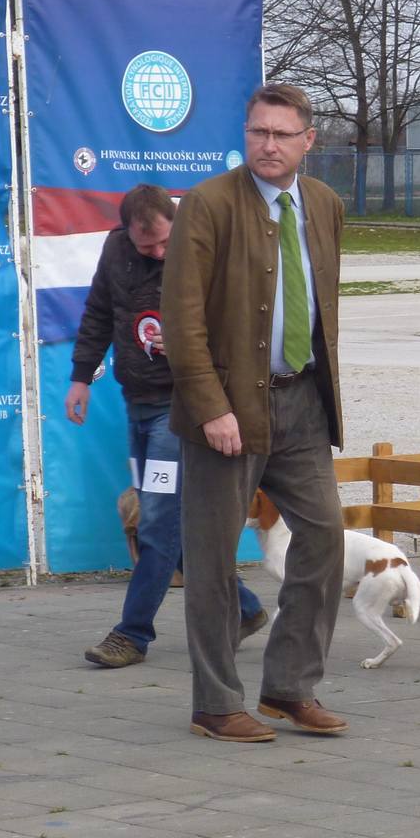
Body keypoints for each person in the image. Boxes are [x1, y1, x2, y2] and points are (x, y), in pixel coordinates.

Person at [162, 83, 347, 744]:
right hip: (229, 408)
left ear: (308, 141)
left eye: (281, 134)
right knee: (213, 559)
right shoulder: (209, 204)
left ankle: (290, 686)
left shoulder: (324, 204)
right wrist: (210, 405)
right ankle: (215, 704)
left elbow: (321, 306)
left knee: (324, 537)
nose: (268, 145)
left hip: (303, 401)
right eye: (257, 132)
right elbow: (181, 317)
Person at [67, 184, 269, 668]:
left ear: (176, 223)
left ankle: (132, 634)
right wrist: (81, 377)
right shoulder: (115, 250)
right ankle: (245, 607)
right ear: (127, 234)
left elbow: (236, 328)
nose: (158, 253)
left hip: (178, 411)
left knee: (156, 521)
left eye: (164, 242)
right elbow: (98, 314)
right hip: (136, 403)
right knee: (167, 522)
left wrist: (203, 371)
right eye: (147, 246)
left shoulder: (201, 248)